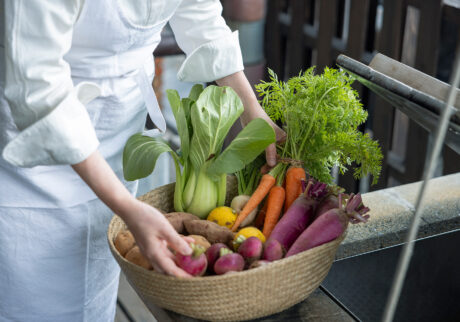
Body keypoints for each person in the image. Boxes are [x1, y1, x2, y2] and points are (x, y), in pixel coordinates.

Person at [0, 0, 284, 321]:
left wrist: (253, 113)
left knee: (93, 291)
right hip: (34, 156)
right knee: (32, 300)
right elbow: (38, 85)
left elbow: (198, 12)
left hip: (118, 127)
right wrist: (128, 208)